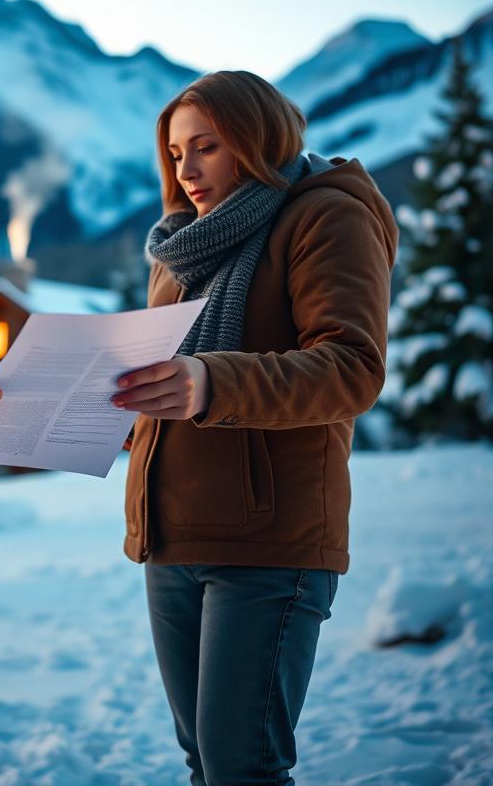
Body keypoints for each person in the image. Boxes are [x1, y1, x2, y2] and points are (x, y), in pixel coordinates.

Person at [113, 71, 397, 786]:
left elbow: (350, 368)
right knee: (205, 763)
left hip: (271, 540)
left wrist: (211, 380)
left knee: (244, 766)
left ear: (258, 138)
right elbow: (168, 386)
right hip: (174, 535)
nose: (188, 170)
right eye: (176, 154)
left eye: (207, 147)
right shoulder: (181, 250)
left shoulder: (326, 216)